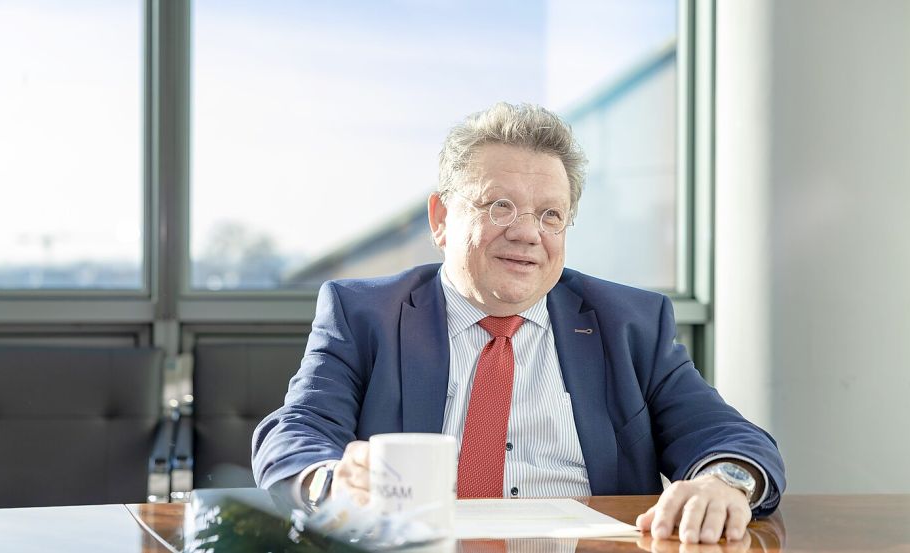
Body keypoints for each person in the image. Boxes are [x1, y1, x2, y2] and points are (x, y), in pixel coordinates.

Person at [253, 102, 785, 545]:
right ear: (440, 219)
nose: (528, 233)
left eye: (550, 215)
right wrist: (329, 480)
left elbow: (726, 435)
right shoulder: (365, 313)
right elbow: (296, 432)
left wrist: (725, 482)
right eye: (500, 206)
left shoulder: (630, 323)